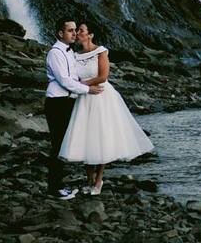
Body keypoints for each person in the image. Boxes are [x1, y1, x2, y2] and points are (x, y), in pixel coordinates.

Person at [59, 20, 155, 195]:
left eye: (81, 30)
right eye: (77, 30)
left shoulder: (101, 51)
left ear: (90, 34)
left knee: (102, 135)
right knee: (86, 136)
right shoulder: (75, 55)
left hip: (101, 96)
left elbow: (103, 76)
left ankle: (98, 181)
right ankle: (89, 180)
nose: (77, 33)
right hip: (85, 97)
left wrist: (82, 84)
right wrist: (81, 87)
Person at [44, 18, 102, 200]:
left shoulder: (70, 52)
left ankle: (59, 184)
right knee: (58, 145)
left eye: (75, 30)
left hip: (68, 101)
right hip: (57, 102)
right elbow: (65, 81)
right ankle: (54, 188)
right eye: (70, 30)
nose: (74, 33)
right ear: (60, 33)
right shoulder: (55, 53)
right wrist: (88, 90)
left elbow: (75, 77)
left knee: (64, 144)